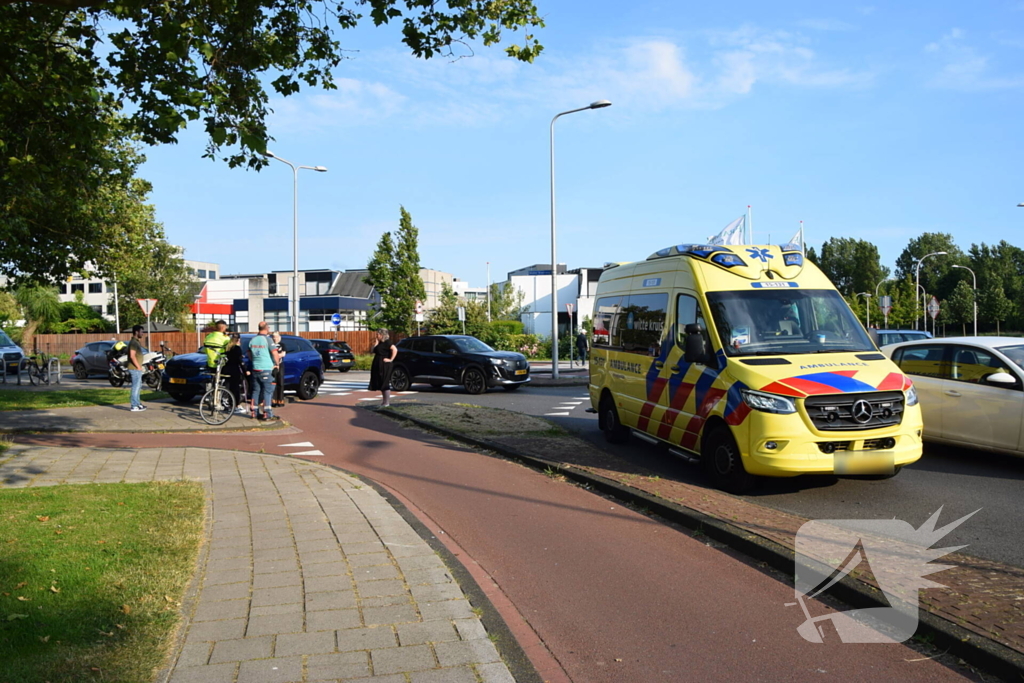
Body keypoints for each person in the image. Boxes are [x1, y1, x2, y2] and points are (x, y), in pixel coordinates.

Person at [249, 321, 277, 421]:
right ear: (266, 328)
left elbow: (249, 353)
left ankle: (253, 412)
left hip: (255, 368)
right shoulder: (268, 340)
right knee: (267, 391)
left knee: (256, 391)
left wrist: (255, 361)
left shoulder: (253, 339)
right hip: (266, 368)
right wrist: (276, 364)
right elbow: (274, 353)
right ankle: (267, 413)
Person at [369, 328, 397, 407]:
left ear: (381, 335)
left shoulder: (388, 342)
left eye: (377, 334)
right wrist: (376, 342)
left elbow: (394, 349)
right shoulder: (380, 343)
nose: (376, 335)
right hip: (378, 364)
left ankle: (387, 402)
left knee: (385, 383)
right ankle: (384, 402)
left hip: (385, 365)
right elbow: (372, 350)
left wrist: (390, 359)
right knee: (381, 382)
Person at [224, 333, 250, 416]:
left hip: (227, 369)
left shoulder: (228, 347)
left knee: (230, 388)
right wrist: (245, 370)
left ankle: (230, 405)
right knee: (236, 388)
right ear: (238, 340)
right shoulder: (237, 348)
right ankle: (237, 406)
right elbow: (239, 361)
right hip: (235, 370)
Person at [127, 324, 147, 412]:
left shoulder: (136, 342)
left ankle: (138, 404)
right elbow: (132, 356)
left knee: (138, 386)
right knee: (135, 386)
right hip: (134, 368)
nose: (143, 333)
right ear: (136, 332)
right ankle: (134, 405)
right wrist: (138, 366)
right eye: (141, 332)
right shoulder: (133, 343)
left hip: (137, 368)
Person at [271, 331, 286, 408]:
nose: (275, 338)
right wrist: (278, 355)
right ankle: (273, 400)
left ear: (279, 337)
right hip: (272, 365)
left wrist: (277, 355)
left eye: (276, 336)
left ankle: (280, 400)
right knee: (273, 382)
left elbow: (283, 354)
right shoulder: (271, 345)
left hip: (280, 365)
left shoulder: (282, 345)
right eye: (273, 336)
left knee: (280, 382)